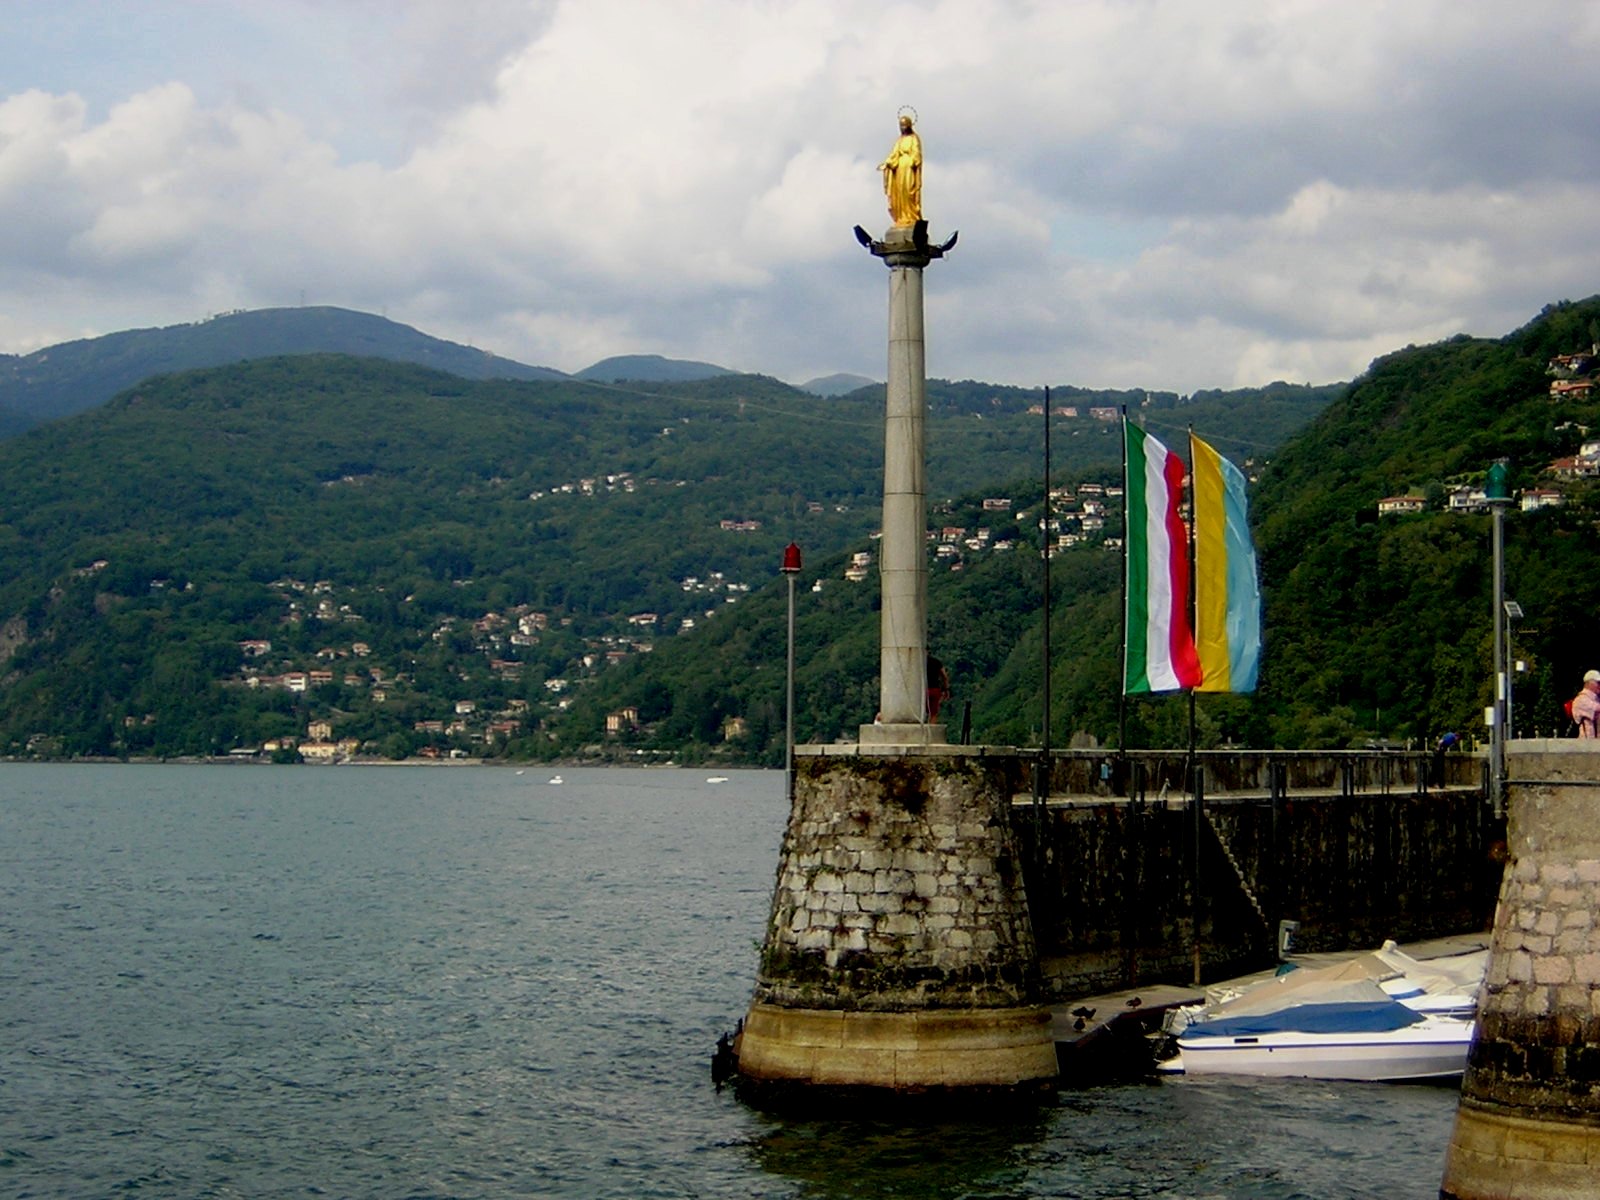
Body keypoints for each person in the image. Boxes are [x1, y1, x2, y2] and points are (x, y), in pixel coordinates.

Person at [879, 112, 922, 227]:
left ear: (909, 126)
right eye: (900, 126)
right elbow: (894, 154)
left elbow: (917, 154)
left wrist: (912, 160)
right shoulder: (899, 140)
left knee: (908, 191)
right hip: (899, 170)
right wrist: (887, 163)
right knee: (899, 193)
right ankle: (901, 216)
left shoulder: (914, 138)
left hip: (908, 169)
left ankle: (911, 216)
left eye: (904, 126)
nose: (902, 128)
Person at [1572, 670, 1600, 737]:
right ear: (1589, 683)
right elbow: (1597, 710)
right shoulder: (1581, 700)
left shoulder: (1596, 699)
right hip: (1586, 743)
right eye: (1598, 683)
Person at [926, 655, 950, 722]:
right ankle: (931, 729)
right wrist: (946, 689)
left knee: (921, 712)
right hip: (935, 689)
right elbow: (944, 676)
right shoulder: (936, 662)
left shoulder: (919, 662)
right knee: (933, 713)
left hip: (922, 690)